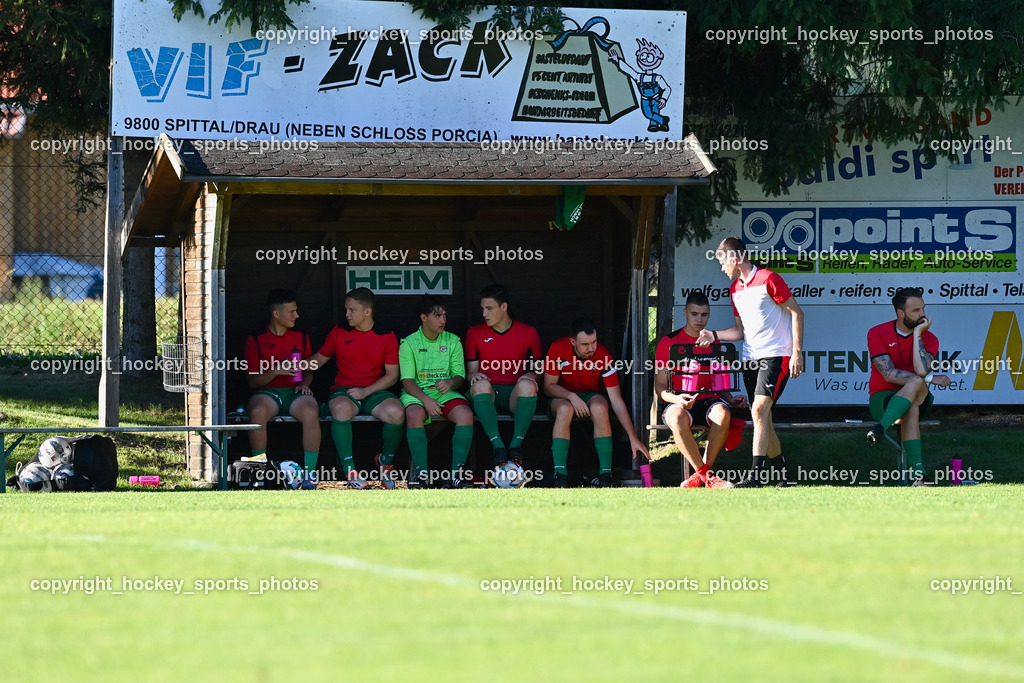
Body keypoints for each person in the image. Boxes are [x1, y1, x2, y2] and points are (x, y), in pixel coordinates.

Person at [697, 237, 804, 488]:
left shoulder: (769, 278)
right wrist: (714, 335)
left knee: (758, 411)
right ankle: (784, 476)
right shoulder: (735, 289)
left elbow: (797, 313)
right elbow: (739, 331)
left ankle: (755, 478)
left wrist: (797, 353)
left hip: (777, 355)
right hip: (750, 359)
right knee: (762, 417)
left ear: (735, 259)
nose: (722, 267)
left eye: (723, 261)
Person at [306, 287, 404, 489]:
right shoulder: (339, 331)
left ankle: (385, 463)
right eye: (346, 310)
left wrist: (366, 392)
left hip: (374, 391)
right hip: (345, 390)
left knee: (397, 413)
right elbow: (319, 360)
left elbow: (392, 375)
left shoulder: (386, 334)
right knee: (340, 409)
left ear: (367, 311)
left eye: (352, 310)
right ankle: (350, 470)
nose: (347, 314)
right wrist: (296, 366)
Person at [655, 291, 747, 489]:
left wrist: (730, 400)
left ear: (709, 314)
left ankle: (700, 476)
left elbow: (718, 383)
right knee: (677, 416)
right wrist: (678, 400)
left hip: (707, 399)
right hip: (677, 401)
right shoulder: (668, 342)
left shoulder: (714, 340)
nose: (699, 319)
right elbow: (660, 388)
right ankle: (707, 476)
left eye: (704, 315)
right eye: (694, 314)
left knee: (723, 413)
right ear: (684, 313)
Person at [543, 317, 650, 487]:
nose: (591, 348)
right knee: (565, 409)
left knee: (600, 407)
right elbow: (548, 387)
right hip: (562, 396)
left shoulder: (603, 356)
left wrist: (632, 436)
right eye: (585, 344)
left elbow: (616, 400)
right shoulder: (558, 348)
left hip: (591, 395)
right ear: (572, 341)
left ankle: (605, 475)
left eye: (594, 342)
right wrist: (571, 397)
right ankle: (560, 475)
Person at [866, 287, 951, 484]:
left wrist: (918, 334)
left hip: (921, 396)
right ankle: (919, 475)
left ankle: (880, 429)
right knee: (910, 407)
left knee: (915, 387)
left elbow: (921, 371)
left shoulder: (930, 338)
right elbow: (888, 374)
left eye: (923, 309)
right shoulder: (877, 332)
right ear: (900, 313)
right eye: (916, 311)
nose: (922, 314)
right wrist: (930, 379)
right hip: (883, 398)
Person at [243, 289, 321, 488]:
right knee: (257, 411)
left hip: (294, 393)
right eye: (291, 312)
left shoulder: (301, 336)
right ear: (276, 314)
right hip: (267, 393)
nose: (297, 315)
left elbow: (309, 369)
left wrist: (304, 383)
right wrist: (277, 371)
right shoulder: (256, 338)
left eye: (296, 311)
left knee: (311, 409)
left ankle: (309, 476)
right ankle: (258, 473)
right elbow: (252, 381)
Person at [399, 295, 474, 488]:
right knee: (414, 413)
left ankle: (456, 476)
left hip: (444, 394)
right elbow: (407, 382)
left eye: (444, 315)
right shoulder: (408, 343)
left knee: (466, 415)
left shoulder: (453, 341)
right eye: (437, 315)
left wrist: (450, 382)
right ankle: (421, 475)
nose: (443, 320)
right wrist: (425, 400)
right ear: (423, 318)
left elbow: (460, 376)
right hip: (418, 393)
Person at [465, 284, 542, 471]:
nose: (484, 314)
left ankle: (516, 446)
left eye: (489, 308)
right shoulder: (474, 333)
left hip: (513, 394)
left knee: (529, 386)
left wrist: (531, 375)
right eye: (482, 309)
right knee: (480, 385)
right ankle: (498, 446)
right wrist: (474, 375)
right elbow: (470, 373)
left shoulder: (528, 333)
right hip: (487, 394)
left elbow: (540, 371)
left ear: (504, 307)